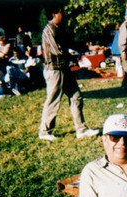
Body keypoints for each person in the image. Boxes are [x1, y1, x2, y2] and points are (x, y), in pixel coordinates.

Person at [39, 4, 99, 141]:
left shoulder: (60, 29)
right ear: (54, 14)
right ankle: (44, 132)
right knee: (53, 100)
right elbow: (57, 51)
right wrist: (74, 57)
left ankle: (81, 130)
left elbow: (72, 44)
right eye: (61, 12)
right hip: (54, 70)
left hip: (64, 69)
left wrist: (90, 47)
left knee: (76, 96)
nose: (64, 15)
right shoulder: (48, 30)